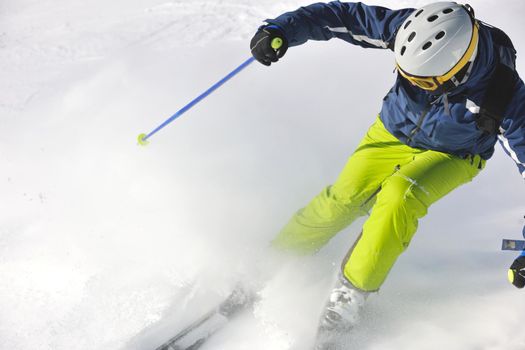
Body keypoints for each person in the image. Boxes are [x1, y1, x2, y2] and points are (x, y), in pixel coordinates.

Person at [250, 1, 525, 334]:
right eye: (405, 77)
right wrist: (282, 29)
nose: (412, 85)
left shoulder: (505, 95)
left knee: (399, 197)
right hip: (392, 131)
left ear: (458, 71)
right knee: (344, 197)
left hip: (454, 154)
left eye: (422, 83)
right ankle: (274, 259)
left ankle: (351, 294)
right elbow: (342, 16)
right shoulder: (414, 28)